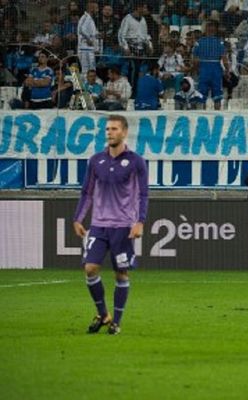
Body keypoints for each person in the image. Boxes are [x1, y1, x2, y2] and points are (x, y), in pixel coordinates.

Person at [73, 114, 149, 335]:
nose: (110, 133)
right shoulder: (96, 160)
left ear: (124, 132)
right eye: (107, 129)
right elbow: (86, 192)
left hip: (124, 226)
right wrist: (78, 218)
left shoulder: (136, 161)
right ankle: (102, 313)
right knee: (90, 268)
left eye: (114, 129)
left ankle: (116, 320)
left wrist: (140, 221)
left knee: (121, 274)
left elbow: (143, 194)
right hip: (99, 224)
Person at [193, 20, 227, 110]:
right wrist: (227, 71)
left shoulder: (199, 42)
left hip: (204, 69)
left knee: (202, 95)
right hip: (216, 69)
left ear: (206, 29)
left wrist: (196, 70)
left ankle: (202, 117)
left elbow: (195, 60)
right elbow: (224, 59)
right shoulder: (220, 42)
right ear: (215, 30)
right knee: (217, 96)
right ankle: (218, 117)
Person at [77, 1, 99, 75]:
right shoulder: (86, 17)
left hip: (89, 49)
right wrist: (88, 39)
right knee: (86, 71)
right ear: (91, 8)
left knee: (91, 71)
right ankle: (83, 86)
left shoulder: (90, 19)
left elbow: (91, 33)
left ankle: (88, 86)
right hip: (84, 49)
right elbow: (81, 30)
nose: (97, 10)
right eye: (96, 8)